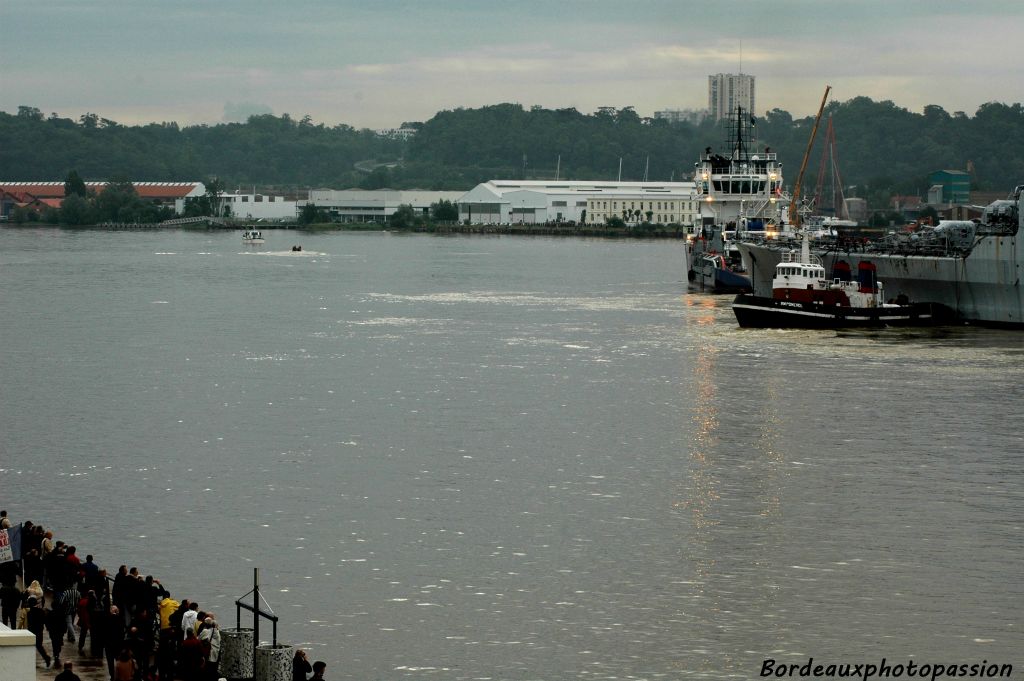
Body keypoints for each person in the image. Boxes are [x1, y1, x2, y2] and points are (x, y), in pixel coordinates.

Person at [25, 597, 51, 668]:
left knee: (33, 646)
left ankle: (45, 658)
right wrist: (48, 628)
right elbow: (45, 621)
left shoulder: (29, 613)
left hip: (32, 632)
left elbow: (29, 624)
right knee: (39, 646)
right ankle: (46, 658)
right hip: (40, 631)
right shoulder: (41, 611)